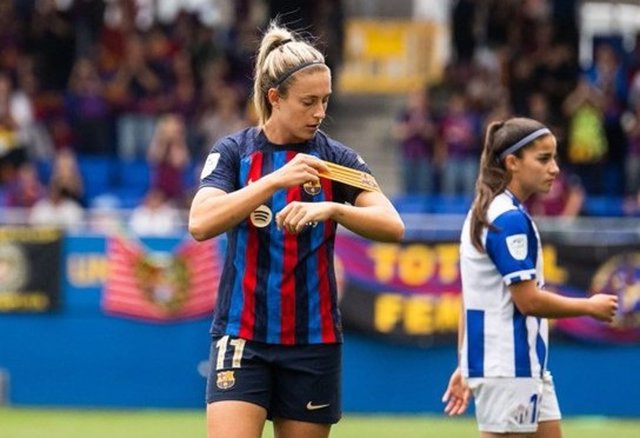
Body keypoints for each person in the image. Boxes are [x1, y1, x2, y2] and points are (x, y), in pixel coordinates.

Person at [188, 21, 404, 438]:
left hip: (313, 341)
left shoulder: (337, 161)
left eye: (325, 100)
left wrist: (331, 209)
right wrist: (272, 182)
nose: (320, 113)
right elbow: (200, 223)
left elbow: (391, 224)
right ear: (275, 98)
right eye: (308, 102)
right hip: (242, 335)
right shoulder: (234, 153)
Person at [441, 117, 618, 437]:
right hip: (509, 367)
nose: (555, 169)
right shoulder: (507, 219)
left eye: (554, 158)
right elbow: (529, 301)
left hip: (519, 366)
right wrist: (589, 307)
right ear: (512, 163)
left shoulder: (490, 210)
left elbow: (470, 298)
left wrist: (466, 363)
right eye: (543, 158)